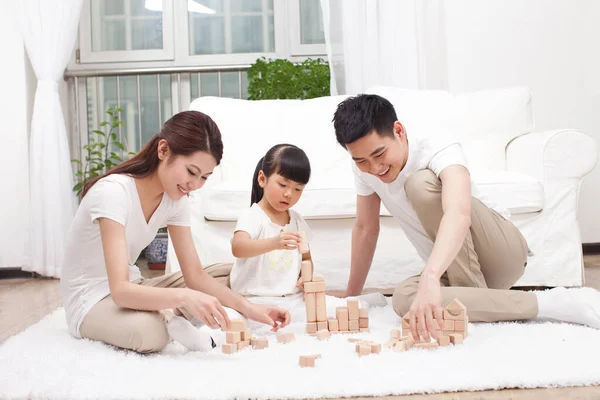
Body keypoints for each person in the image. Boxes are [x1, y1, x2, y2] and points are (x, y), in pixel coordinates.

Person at [332, 94, 600, 342]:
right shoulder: (365, 170)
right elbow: (366, 228)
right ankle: (548, 305)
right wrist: (352, 296)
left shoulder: (436, 146)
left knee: (420, 184)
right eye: (361, 161)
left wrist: (430, 276)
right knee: (403, 300)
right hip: (453, 266)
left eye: (379, 154)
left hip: (500, 253)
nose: (375, 168)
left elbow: (458, 214)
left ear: (399, 131)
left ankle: (474, 295)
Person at [60, 111, 290, 354]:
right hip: (92, 301)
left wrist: (252, 308)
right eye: (191, 172)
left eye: (204, 177)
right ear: (163, 151)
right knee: (148, 333)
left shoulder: (175, 199)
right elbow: (120, 291)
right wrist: (183, 298)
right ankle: (167, 319)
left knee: (229, 274)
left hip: (135, 285)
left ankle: (166, 316)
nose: (195, 185)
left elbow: (196, 276)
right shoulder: (113, 193)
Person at [229, 144, 384, 328]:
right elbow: (238, 248)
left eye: (298, 189)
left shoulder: (296, 220)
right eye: (283, 185)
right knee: (233, 320)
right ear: (262, 179)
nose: (289, 194)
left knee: (333, 309)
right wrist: (274, 243)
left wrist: (306, 277)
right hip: (254, 301)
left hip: (291, 299)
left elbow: (307, 258)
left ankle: (368, 302)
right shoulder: (253, 216)